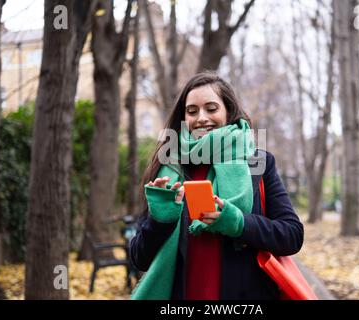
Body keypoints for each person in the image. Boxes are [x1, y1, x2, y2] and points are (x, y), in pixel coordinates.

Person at [129, 72, 304, 300]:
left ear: (228, 112)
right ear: (184, 118)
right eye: (192, 111)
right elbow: (138, 258)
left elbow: (292, 235)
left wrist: (239, 223)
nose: (202, 118)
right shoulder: (168, 168)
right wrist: (160, 220)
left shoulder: (258, 163)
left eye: (211, 109)